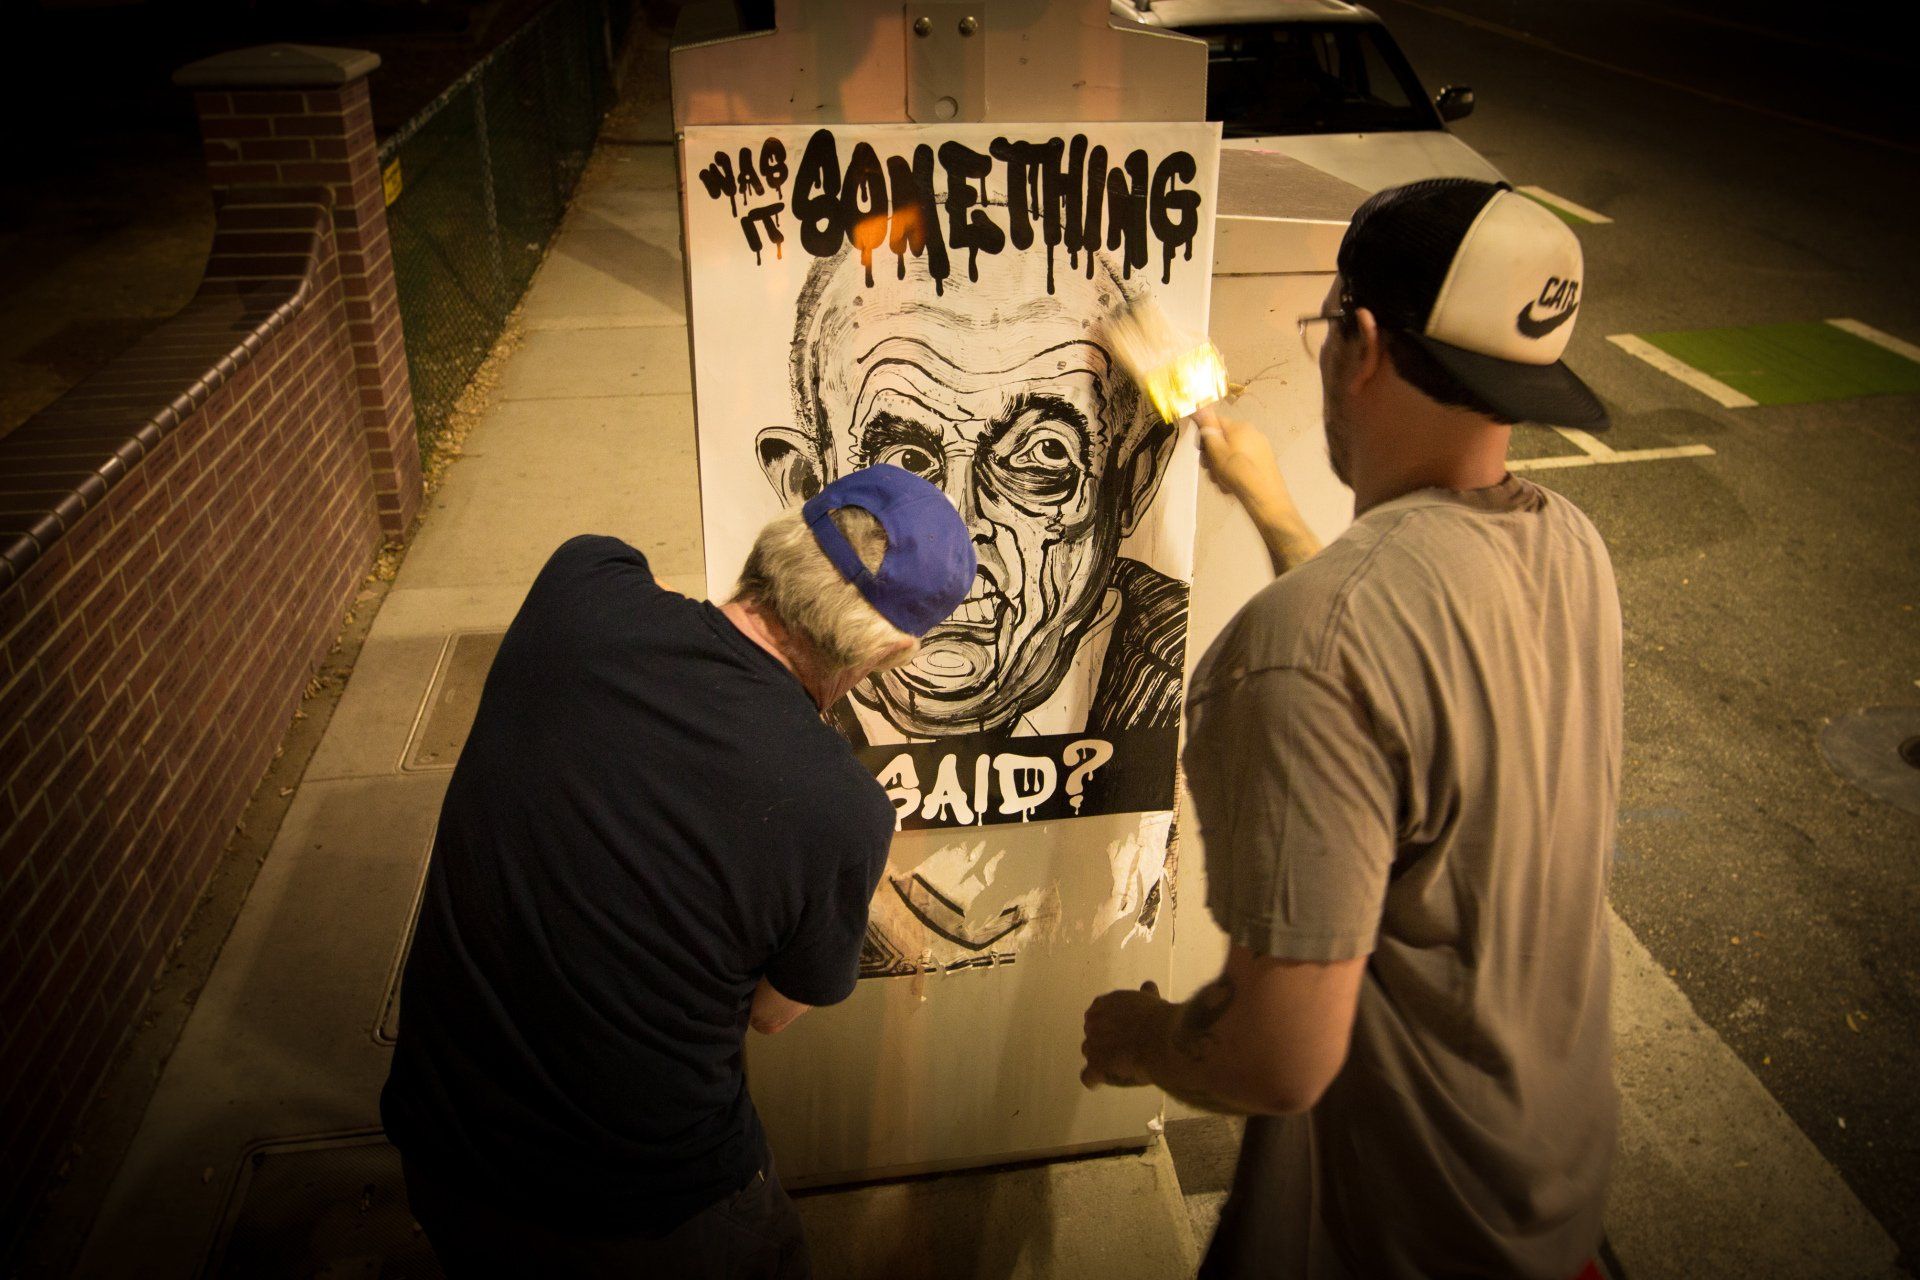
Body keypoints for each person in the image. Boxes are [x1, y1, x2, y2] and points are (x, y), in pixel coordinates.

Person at [1078, 178, 1624, 1280]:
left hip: (1401, 1230)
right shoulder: (1570, 548)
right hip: (1549, 1193)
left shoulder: (1305, 650)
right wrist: (1271, 504)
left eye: (1328, 327)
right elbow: (1392, 696)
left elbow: (1276, 1058)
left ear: (1360, 342)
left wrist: (1140, 1035)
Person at [380, 464, 976, 1278]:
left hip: (441, 1153)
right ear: (897, 650)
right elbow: (771, 1014)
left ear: (786, 537)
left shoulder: (580, 585)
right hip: (645, 1214)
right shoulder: (842, 811)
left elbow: (651, 580)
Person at [756, 243, 1187, 743]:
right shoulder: (750, 704)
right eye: (907, 463)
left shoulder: (1193, 678)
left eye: (1043, 455)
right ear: (808, 488)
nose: (958, 535)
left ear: (1131, 485)